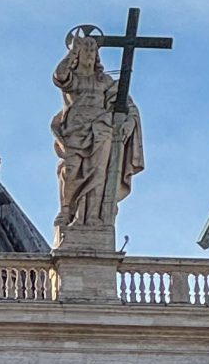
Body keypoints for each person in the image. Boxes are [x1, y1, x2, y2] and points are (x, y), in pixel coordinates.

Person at [51, 26, 143, 235]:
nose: (90, 54)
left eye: (94, 51)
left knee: (99, 174)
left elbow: (125, 106)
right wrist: (72, 51)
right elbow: (60, 76)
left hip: (101, 131)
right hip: (74, 131)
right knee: (70, 170)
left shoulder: (105, 82)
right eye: (86, 50)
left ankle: (93, 216)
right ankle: (67, 211)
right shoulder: (72, 80)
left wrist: (127, 123)